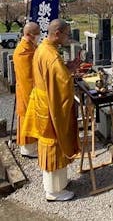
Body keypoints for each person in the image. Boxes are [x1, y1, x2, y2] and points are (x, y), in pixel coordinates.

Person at [22, 19, 80, 201]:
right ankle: (54, 191)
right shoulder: (52, 56)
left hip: (42, 103)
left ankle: (59, 184)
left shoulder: (43, 48)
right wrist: (70, 78)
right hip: (51, 107)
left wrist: (67, 68)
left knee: (50, 144)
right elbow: (61, 85)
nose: (67, 38)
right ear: (57, 33)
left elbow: (55, 75)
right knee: (53, 145)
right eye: (67, 34)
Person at [13, 22, 40, 157]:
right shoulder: (22, 51)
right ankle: (29, 150)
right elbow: (27, 78)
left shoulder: (30, 47)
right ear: (29, 34)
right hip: (26, 91)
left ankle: (31, 147)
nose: (38, 36)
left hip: (29, 89)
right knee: (27, 118)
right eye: (37, 34)